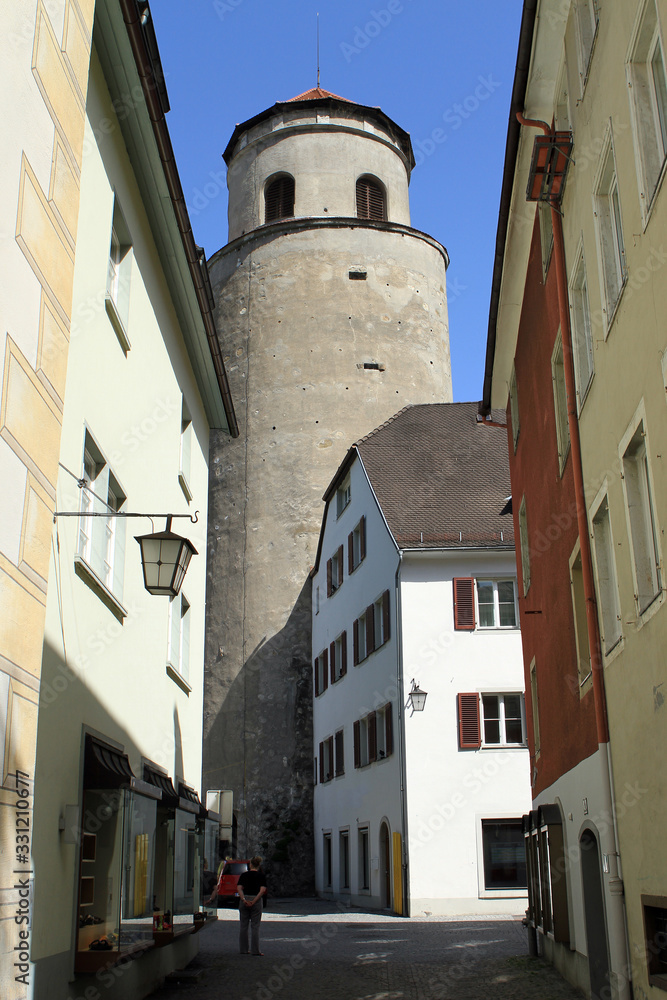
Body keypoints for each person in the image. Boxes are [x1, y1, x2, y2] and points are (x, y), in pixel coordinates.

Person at [237, 856, 267, 956]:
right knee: (255, 926)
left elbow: (239, 888)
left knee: (243, 925)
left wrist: (243, 899)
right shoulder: (261, 876)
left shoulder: (244, 875)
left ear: (250, 865)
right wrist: (254, 901)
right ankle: (255, 950)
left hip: (245, 899)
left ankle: (243, 949)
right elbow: (262, 890)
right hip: (256, 900)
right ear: (258, 865)